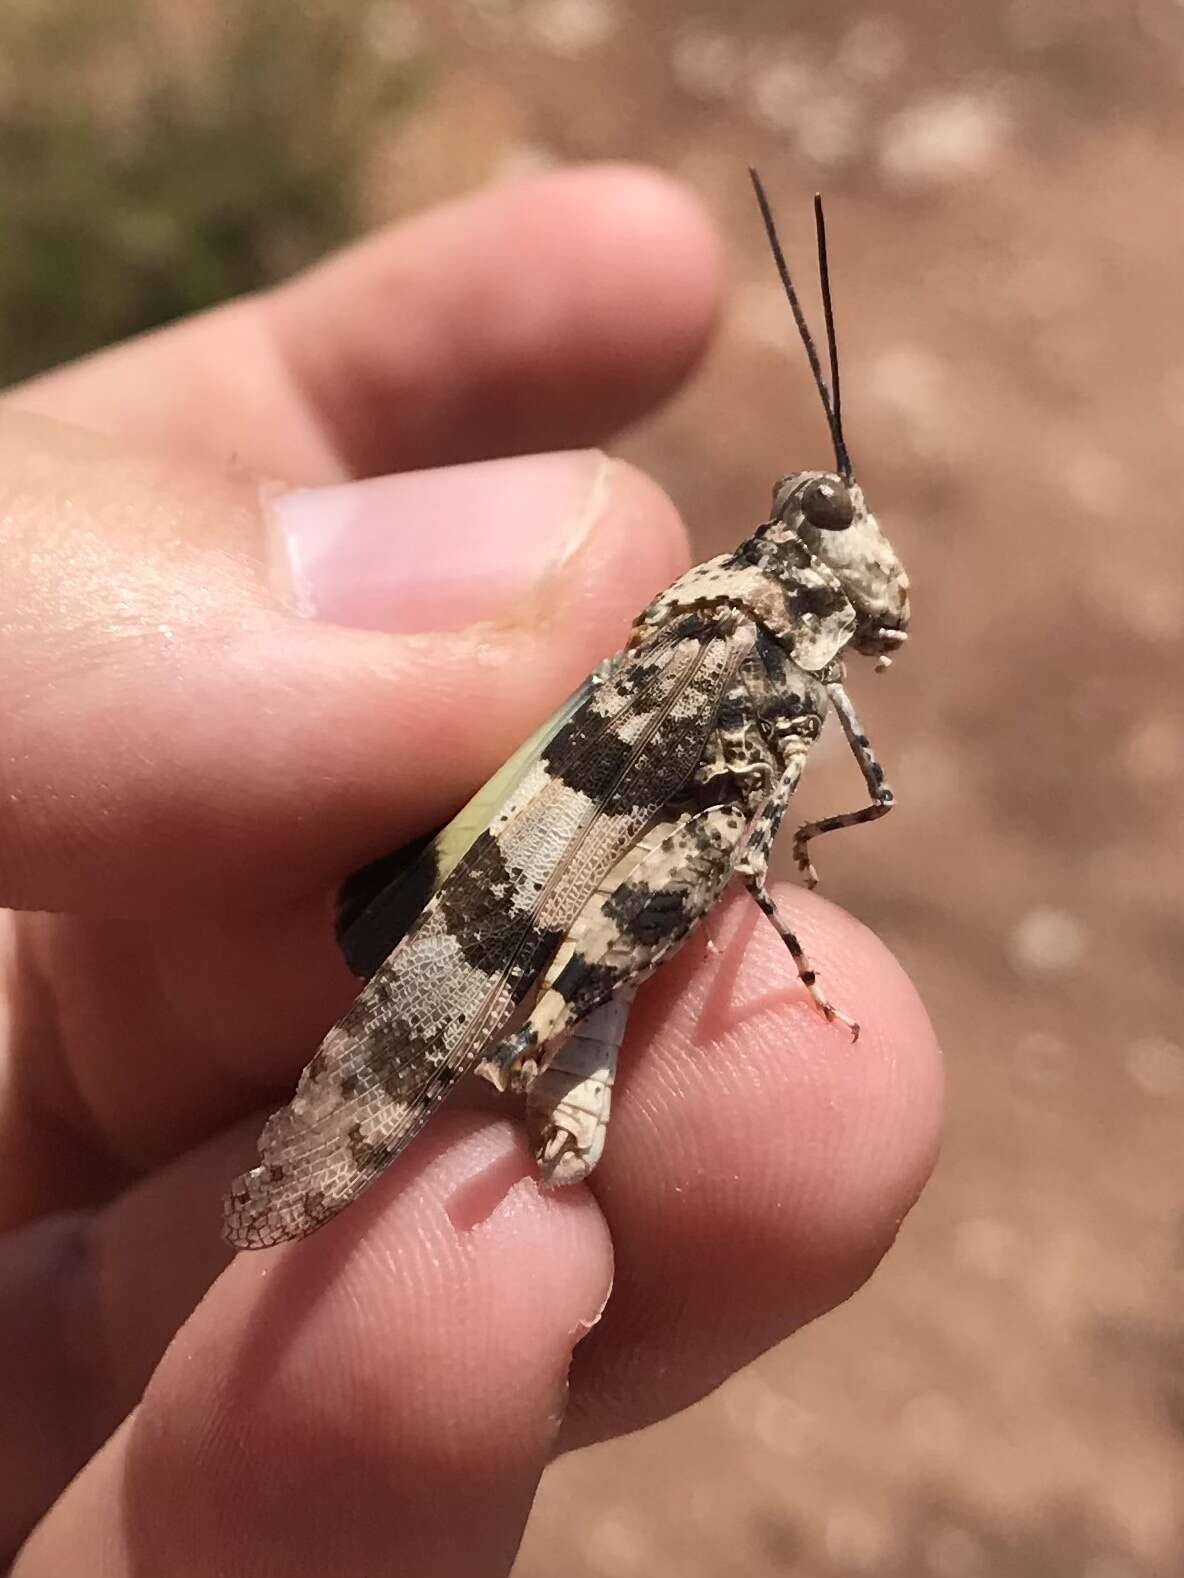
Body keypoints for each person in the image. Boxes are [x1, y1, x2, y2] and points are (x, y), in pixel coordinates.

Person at [1, 165, 941, 1575]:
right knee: (739, 861)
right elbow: (779, 810)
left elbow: (835, 788)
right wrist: (776, 866)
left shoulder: (778, 641)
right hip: (554, 919)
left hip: (590, 884)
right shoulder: (738, 642)